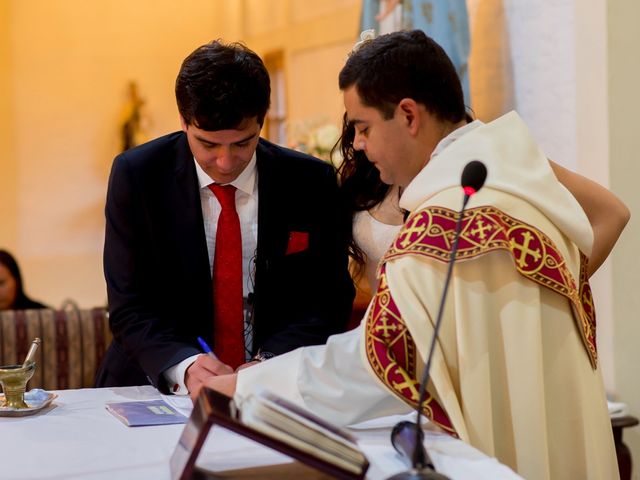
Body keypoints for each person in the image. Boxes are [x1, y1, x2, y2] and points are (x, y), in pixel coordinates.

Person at [200, 31, 626, 479]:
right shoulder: (521, 186)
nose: (358, 143)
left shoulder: (443, 225)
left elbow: (375, 364)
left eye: (363, 127)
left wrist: (246, 386)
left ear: (408, 115)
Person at [95, 40, 355, 395]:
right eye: (208, 144)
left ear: (261, 123)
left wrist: (269, 365)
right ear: (183, 122)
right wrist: (185, 366)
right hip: (154, 385)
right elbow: (130, 307)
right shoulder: (138, 176)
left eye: (242, 144)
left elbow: (328, 300)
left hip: (276, 388)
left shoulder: (311, 182)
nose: (225, 162)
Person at [337, 116, 630, 318]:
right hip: (385, 342)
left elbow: (612, 214)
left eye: (367, 124)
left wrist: (553, 294)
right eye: (358, 125)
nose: (360, 139)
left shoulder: (488, 154)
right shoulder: (366, 175)